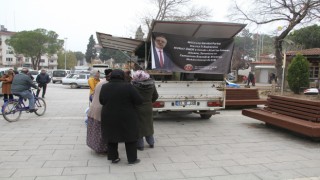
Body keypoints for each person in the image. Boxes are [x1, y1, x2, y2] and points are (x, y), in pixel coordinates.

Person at [99, 69, 143, 165]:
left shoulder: (105, 87)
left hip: (109, 115)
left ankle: (113, 158)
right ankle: (132, 159)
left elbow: (101, 101)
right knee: (130, 137)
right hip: (127, 116)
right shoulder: (128, 86)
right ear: (122, 76)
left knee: (111, 136)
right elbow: (139, 101)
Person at [86, 69, 113, 154]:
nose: (98, 74)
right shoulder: (106, 84)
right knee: (100, 131)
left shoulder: (101, 82)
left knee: (95, 130)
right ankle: (102, 149)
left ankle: (96, 147)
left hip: (94, 107)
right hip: (99, 109)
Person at [132, 70, 159, 151]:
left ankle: (140, 145)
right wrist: (150, 102)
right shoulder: (152, 85)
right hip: (148, 107)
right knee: (148, 125)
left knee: (139, 127)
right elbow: (156, 96)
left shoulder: (134, 86)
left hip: (137, 108)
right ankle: (151, 143)